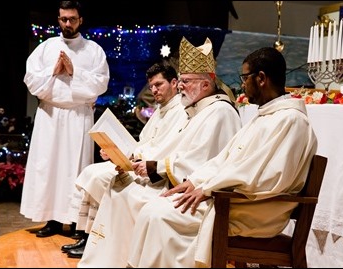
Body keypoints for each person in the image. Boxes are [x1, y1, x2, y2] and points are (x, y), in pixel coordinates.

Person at [126, 47, 318, 268]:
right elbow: (225, 159)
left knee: (159, 216)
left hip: (252, 211)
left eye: (245, 78)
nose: (242, 84)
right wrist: (195, 181)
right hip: (233, 200)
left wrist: (208, 189)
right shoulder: (266, 116)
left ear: (261, 78)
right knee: (154, 208)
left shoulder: (291, 121)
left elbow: (266, 178)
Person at [77, 36, 242, 267]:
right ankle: (110, 260)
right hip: (179, 180)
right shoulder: (199, 109)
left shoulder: (220, 112)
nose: (181, 86)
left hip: (201, 193)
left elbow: (205, 162)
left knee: (130, 195)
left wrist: (157, 167)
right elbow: (183, 151)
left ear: (206, 83)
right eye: (181, 80)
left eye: (185, 81)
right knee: (120, 187)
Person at [61, 60, 186, 258]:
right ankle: (88, 237)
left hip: (152, 173)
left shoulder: (181, 111)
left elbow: (166, 149)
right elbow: (145, 142)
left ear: (173, 83)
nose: (154, 90)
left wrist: (134, 158)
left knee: (98, 177)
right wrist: (117, 152)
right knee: (91, 171)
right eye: (151, 86)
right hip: (138, 163)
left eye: (158, 85)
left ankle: (96, 241)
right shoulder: (161, 109)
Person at [20, 0, 110, 238]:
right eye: (63, 19)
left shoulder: (93, 50)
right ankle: (52, 220)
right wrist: (53, 71)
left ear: (81, 19)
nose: (67, 23)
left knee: (75, 169)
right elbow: (30, 80)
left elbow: (101, 83)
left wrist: (74, 71)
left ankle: (77, 223)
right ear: (58, 19)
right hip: (50, 114)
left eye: (72, 19)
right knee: (49, 168)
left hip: (78, 116)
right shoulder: (46, 47)